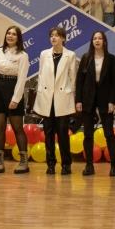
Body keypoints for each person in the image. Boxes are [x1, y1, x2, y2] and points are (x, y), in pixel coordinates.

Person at [0, 26, 31, 175]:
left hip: (13, 89)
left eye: (14, 34)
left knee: (18, 128)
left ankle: (24, 162)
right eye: (8, 33)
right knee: (0, 127)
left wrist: (16, 99)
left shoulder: (23, 55)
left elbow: (22, 79)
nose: (10, 36)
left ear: (18, 38)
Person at [33, 26, 77, 175]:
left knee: (63, 134)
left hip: (62, 99)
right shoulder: (44, 54)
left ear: (63, 38)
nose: (53, 38)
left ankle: (66, 164)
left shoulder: (70, 55)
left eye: (57, 35)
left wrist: (72, 96)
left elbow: (73, 78)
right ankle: (50, 164)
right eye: (51, 35)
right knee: (48, 134)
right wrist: (40, 94)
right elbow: (41, 75)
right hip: (47, 99)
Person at [75, 31, 115, 176]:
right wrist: (78, 100)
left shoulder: (111, 58)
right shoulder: (86, 58)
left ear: (104, 41)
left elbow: (114, 82)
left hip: (105, 100)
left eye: (100, 38)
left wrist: (112, 101)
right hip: (88, 99)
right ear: (92, 41)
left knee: (109, 134)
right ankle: (89, 165)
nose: (97, 40)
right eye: (95, 38)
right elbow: (79, 81)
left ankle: (114, 166)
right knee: (88, 134)